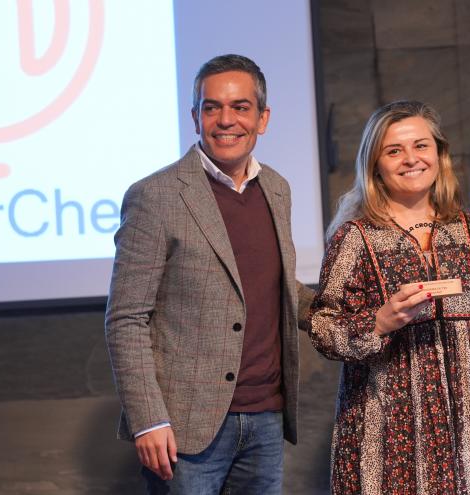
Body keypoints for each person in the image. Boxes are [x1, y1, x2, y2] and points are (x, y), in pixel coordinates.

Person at [105, 54, 312, 494]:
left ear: (263, 118)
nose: (225, 120)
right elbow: (126, 319)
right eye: (211, 107)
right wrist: (149, 420)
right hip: (184, 430)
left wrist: (350, 307)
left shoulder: (277, 188)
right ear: (195, 117)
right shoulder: (154, 196)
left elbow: (272, 283)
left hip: (266, 420)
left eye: (240, 107)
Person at [309, 100, 470, 495]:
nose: (410, 159)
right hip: (388, 434)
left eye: (421, 146)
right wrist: (377, 322)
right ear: (375, 164)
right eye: (394, 150)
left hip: (466, 433)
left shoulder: (468, 230)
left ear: (439, 153)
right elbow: (322, 324)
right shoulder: (357, 237)